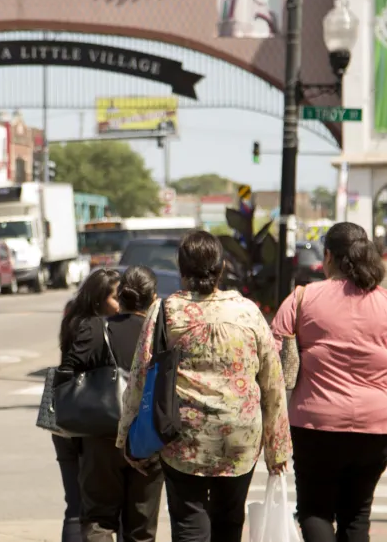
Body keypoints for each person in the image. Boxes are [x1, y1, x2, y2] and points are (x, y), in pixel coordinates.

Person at [271, 222, 387, 542]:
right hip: (378, 429)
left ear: (327, 257)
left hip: (316, 425)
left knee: (315, 510)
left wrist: (267, 424)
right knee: (356, 514)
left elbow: (270, 363)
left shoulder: (301, 299)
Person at [118, 231, 289, 542]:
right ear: (221, 268)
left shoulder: (165, 311)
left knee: (188, 524)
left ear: (182, 269)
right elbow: (273, 384)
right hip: (240, 437)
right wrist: (278, 449)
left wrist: (126, 437)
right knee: (229, 521)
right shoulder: (248, 311)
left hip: (183, 437)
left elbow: (141, 375)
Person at [61, 266, 163, 542]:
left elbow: (66, 374)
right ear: (153, 298)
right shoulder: (161, 335)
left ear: (122, 296)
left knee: (98, 519)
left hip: (102, 438)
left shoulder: (97, 330)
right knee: (141, 528)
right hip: (148, 439)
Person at [55, 268, 121, 542]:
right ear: (100, 299)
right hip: (82, 422)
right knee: (82, 506)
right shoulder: (95, 328)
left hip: (66, 419)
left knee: (75, 501)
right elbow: (70, 369)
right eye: (116, 297)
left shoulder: (75, 320)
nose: (121, 303)